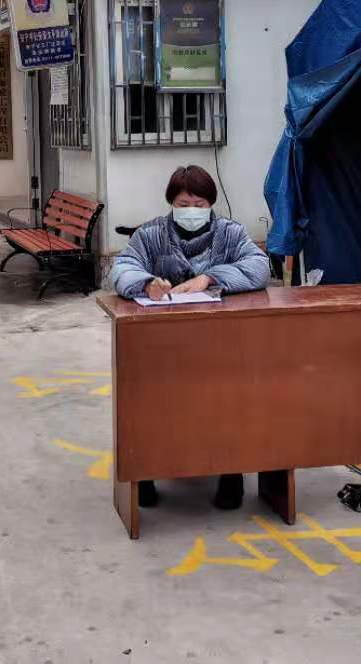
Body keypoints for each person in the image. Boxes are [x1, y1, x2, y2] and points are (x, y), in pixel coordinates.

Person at [108, 164, 270, 510]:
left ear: (211, 204)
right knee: (151, 403)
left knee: (227, 401)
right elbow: (121, 267)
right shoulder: (151, 234)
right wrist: (146, 284)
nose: (191, 211)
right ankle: (145, 473)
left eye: (199, 205)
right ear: (171, 203)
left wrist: (209, 278)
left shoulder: (230, 233)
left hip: (221, 342)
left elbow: (259, 267)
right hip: (163, 344)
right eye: (183, 205)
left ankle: (231, 473)